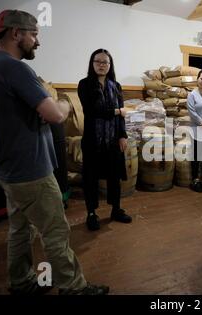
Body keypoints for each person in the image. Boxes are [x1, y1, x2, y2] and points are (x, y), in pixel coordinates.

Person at [0, 10, 108, 295]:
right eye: (34, 34)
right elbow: (55, 114)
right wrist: (60, 104)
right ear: (16, 33)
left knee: (20, 228)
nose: (37, 41)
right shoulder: (15, 67)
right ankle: (73, 288)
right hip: (31, 171)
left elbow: (27, 110)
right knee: (55, 230)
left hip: (7, 168)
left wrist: (42, 105)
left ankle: (21, 281)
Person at [78, 49, 132, 231]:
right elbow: (92, 110)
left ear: (110, 65)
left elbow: (122, 115)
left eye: (105, 62)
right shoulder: (85, 84)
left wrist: (123, 135)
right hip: (93, 141)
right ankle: (91, 213)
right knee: (91, 178)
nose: (101, 65)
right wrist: (117, 111)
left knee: (114, 177)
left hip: (112, 140)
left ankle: (116, 209)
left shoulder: (115, 86)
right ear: (92, 64)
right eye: (98, 61)